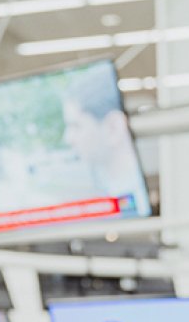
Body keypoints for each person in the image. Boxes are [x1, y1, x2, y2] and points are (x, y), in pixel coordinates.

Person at [61, 62, 151, 217]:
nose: (67, 139)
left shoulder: (135, 198)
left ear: (113, 127)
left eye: (76, 126)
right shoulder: (101, 189)